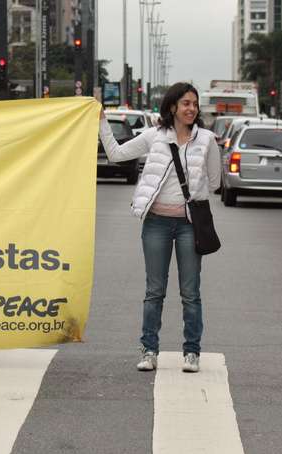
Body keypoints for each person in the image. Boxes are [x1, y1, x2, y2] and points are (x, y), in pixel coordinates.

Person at [98, 82, 221, 373]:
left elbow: (215, 182)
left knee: (190, 293)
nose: (191, 109)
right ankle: (149, 350)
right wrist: (101, 121)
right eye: (186, 103)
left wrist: (194, 187)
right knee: (154, 291)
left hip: (189, 225)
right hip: (156, 223)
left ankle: (192, 352)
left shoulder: (207, 140)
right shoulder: (154, 136)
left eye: (195, 104)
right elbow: (115, 154)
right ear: (172, 107)